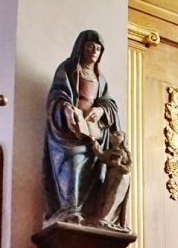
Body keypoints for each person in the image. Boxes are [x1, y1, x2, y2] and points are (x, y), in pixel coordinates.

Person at [42, 29, 121, 223]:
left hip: (93, 134)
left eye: (98, 48)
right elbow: (56, 96)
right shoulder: (68, 68)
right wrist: (68, 110)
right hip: (69, 132)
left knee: (98, 170)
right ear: (81, 47)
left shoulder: (100, 79)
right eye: (90, 46)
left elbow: (110, 104)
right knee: (73, 164)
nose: (94, 51)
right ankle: (69, 209)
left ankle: (91, 212)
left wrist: (101, 110)